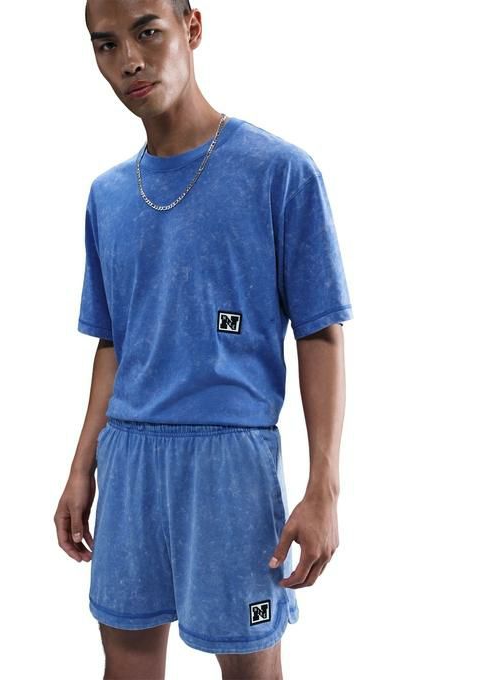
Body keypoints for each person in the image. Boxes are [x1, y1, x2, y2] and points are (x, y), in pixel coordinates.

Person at [54, 1, 354, 678]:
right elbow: (113, 343)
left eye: (147, 32)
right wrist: (81, 467)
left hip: (229, 464)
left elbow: (321, 333)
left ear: (192, 28)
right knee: (127, 665)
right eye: (106, 45)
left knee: (249, 667)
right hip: (128, 458)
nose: (129, 60)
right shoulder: (107, 196)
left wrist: (324, 488)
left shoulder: (278, 171)